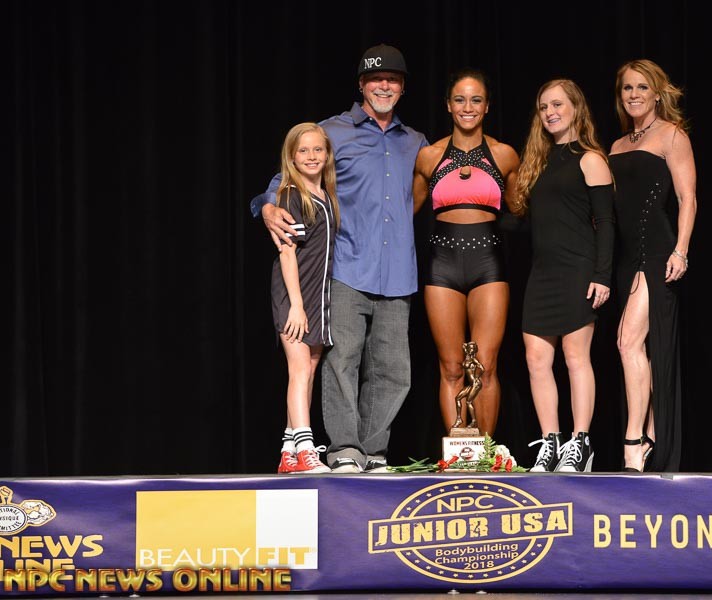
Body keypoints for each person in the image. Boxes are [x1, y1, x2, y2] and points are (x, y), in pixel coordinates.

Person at [251, 44, 427, 473]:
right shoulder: (333, 132)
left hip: (398, 274)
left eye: (392, 79)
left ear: (402, 88)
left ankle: (374, 452)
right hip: (346, 268)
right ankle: (345, 450)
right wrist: (267, 206)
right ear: (362, 84)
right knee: (341, 363)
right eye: (375, 79)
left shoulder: (416, 143)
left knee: (393, 371)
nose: (384, 86)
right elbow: (286, 177)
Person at [412, 69, 520, 437]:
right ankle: (459, 455)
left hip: (488, 263)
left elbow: (522, 211)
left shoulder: (504, 155)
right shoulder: (429, 156)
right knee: (452, 367)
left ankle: (485, 454)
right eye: (460, 99)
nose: (467, 107)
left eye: (476, 100)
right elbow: (400, 213)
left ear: (487, 106)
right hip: (441, 265)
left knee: (485, 366)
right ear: (448, 105)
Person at [514, 79, 615, 473]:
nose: (550, 113)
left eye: (557, 105)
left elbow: (606, 223)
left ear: (576, 108)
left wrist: (602, 275)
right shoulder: (538, 161)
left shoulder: (590, 159)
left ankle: (580, 444)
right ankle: (551, 443)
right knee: (536, 358)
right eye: (544, 107)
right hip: (542, 273)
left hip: (578, 270)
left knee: (575, 357)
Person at [608, 59, 697, 472]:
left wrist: (681, 250)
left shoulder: (672, 135)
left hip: (658, 252)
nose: (634, 95)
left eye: (642, 87)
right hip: (626, 257)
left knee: (628, 342)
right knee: (637, 348)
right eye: (628, 88)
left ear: (657, 93)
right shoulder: (616, 146)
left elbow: (687, 198)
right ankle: (650, 437)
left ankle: (633, 443)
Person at [266, 123, 339, 474]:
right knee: (298, 370)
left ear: (327, 154)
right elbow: (287, 252)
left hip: (316, 295)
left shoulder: (326, 195)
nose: (311, 156)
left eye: (317, 150)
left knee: (309, 370)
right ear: (292, 157)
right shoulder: (291, 195)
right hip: (293, 294)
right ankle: (307, 450)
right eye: (303, 151)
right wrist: (295, 304)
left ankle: (289, 449)